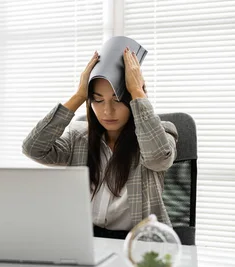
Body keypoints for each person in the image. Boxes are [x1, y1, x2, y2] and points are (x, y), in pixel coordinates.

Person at [22, 47, 178, 239]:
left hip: (138, 241)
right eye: (98, 100)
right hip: (83, 237)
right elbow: (33, 149)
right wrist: (79, 96)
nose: (107, 111)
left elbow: (157, 159)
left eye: (118, 100)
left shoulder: (162, 133)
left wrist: (137, 90)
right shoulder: (78, 138)